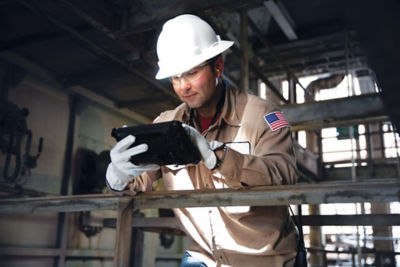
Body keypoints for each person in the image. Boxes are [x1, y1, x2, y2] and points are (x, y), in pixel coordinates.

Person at [106, 14, 299, 267]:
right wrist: (118, 176)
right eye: (175, 77)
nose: (183, 86)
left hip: (264, 258)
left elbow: (285, 175)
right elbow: (139, 183)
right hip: (205, 257)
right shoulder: (167, 123)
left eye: (192, 73)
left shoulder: (263, 115)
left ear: (218, 66)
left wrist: (218, 158)